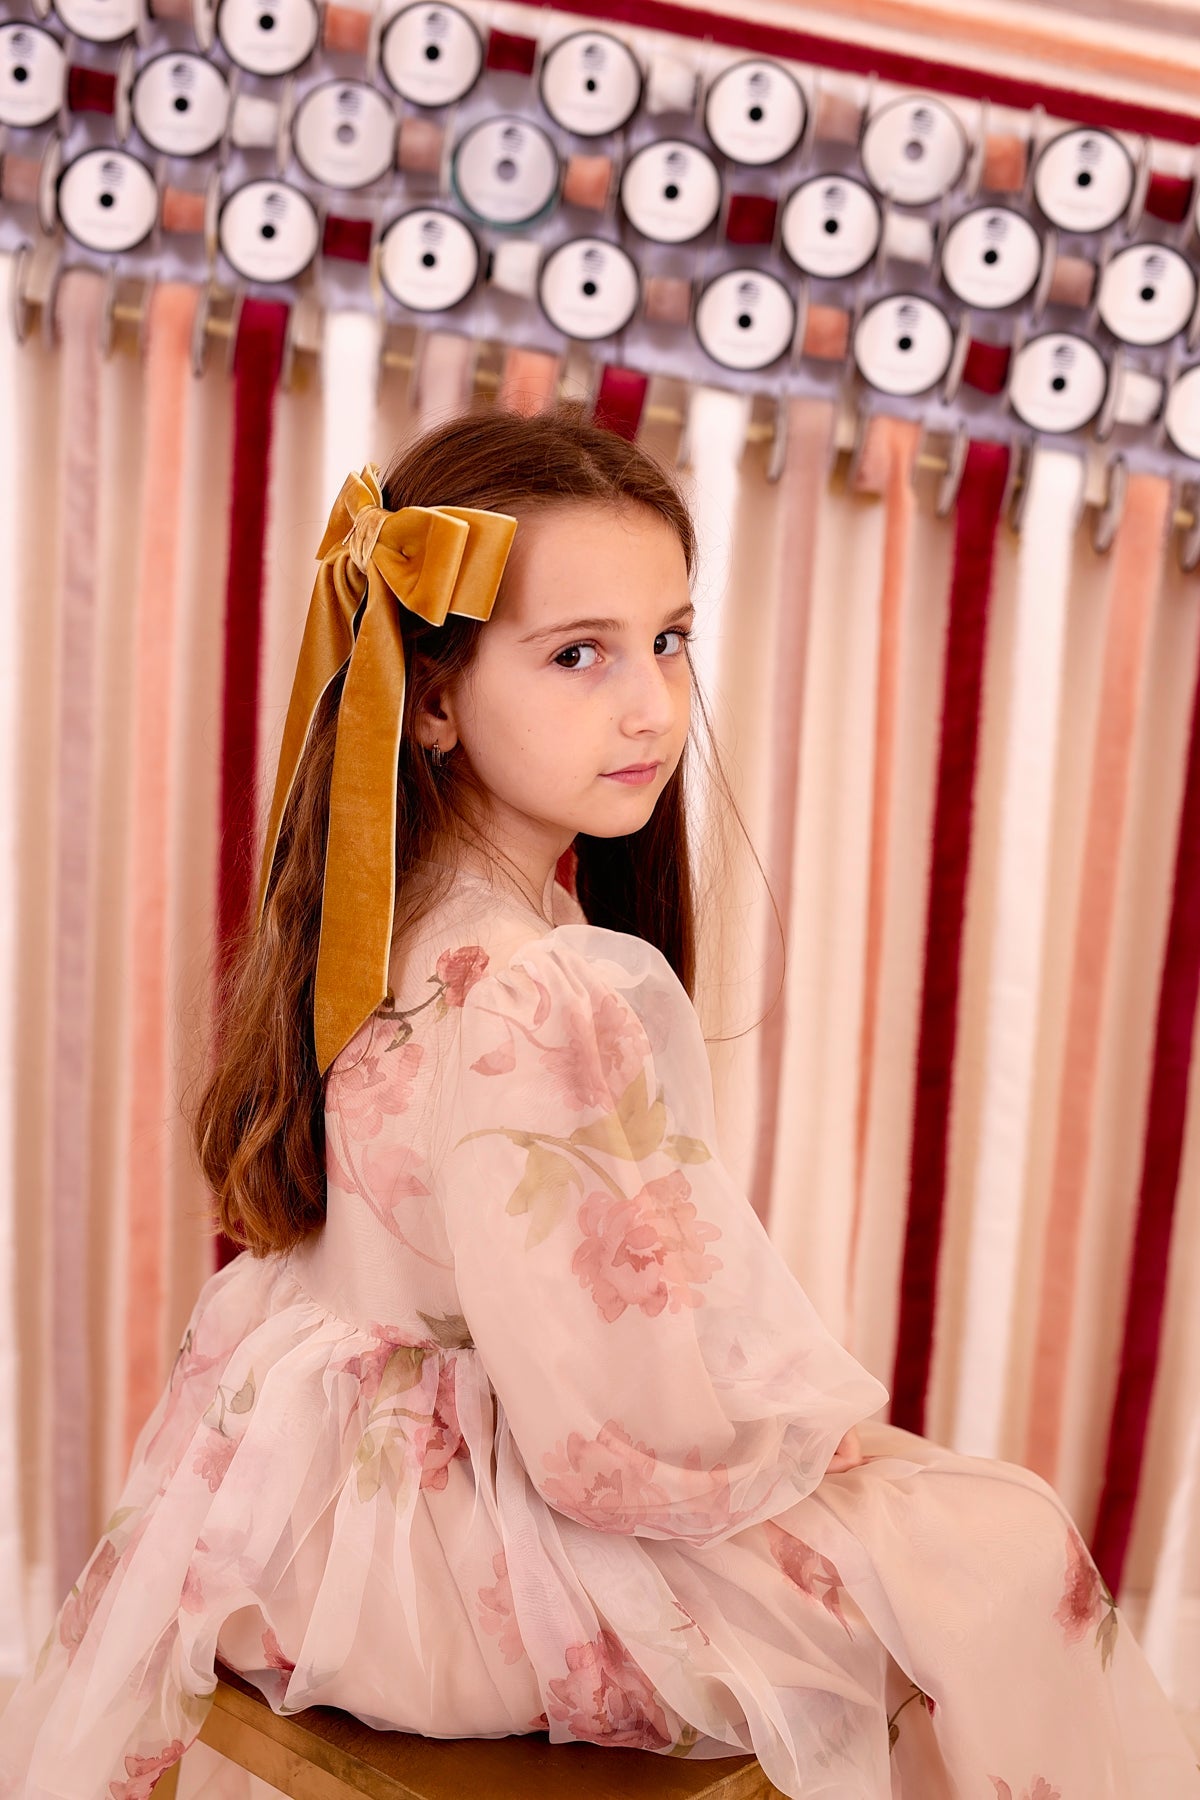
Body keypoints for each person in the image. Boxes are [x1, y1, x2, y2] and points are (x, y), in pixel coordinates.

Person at [1, 407, 1196, 1800]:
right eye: (580, 655)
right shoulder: (538, 984)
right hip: (443, 1585)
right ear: (433, 700)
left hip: (286, 1531)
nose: (650, 708)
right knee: (1004, 1545)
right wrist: (809, 1446)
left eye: (669, 641)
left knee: (938, 1527)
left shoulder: (377, 925)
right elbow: (614, 1443)